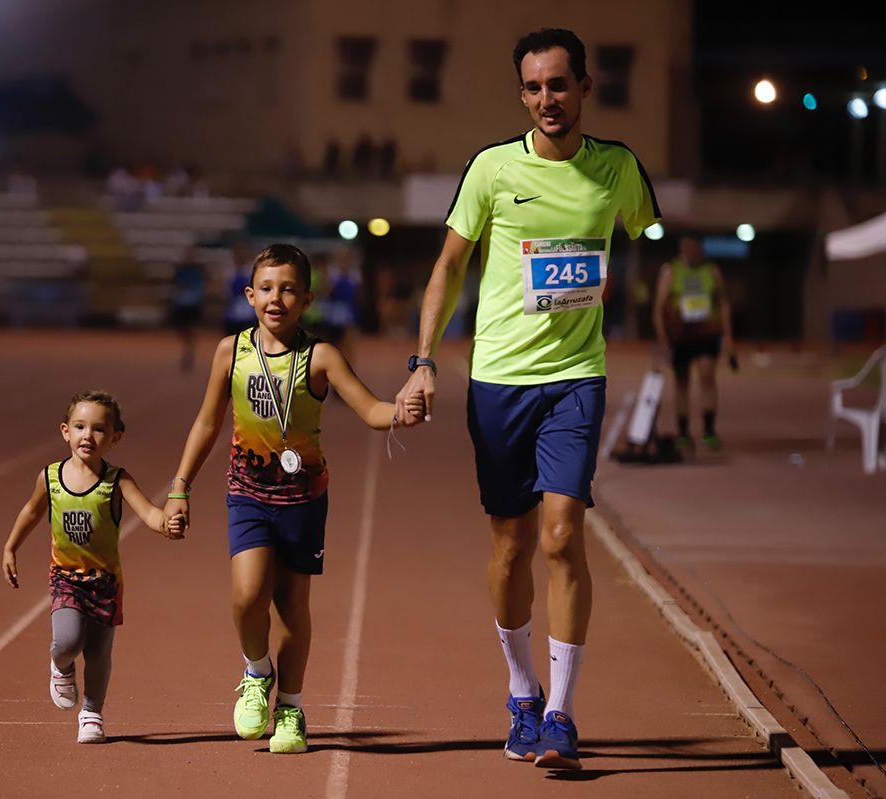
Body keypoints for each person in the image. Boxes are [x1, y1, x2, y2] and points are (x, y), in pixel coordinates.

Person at [393, 28, 661, 770]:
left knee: (561, 533)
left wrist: (624, 287)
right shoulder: (489, 169)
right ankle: (520, 689)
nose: (548, 99)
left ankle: (561, 714)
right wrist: (423, 362)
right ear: (523, 93)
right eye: (535, 87)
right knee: (510, 544)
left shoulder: (617, 170)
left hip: (577, 376)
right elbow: (447, 267)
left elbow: (647, 229)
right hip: (499, 380)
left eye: (559, 85)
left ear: (584, 87)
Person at [164, 244, 423, 755]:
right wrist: (179, 487)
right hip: (247, 493)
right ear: (249, 294)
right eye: (265, 288)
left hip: (303, 498)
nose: (275, 298)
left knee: (292, 607)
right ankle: (257, 672)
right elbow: (207, 422)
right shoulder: (230, 351)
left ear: (307, 298)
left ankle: (292, 709)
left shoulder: (320, 355)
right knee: (247, 594)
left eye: (287, 289)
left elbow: (369, 408)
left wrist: (399, 410)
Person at [1, 391, 185, 744]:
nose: (89, 436)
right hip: (66, 579)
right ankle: (61, 665)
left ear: (115, 437)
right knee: (68, 640)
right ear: (65, 431)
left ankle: (92, 713)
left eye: (99, 429)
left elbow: (149, 513)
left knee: (99, 652)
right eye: (81, 427)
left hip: (105, 583)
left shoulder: (117, 480)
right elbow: (31, 512)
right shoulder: (50, 477)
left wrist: (167, 524)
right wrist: (11, 547)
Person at [652, 236, 733, 451]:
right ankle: (683, 432)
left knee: (707, 377)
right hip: (681, 335)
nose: (689, 250)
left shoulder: (712, 271)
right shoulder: (671, 271)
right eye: (685, 246)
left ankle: (708, 430)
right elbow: (659, 307)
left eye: (693, 246)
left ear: (700, 248)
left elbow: (723, 302)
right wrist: (662, 338)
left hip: (706, 333)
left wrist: (729, 336)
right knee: (681, 382)